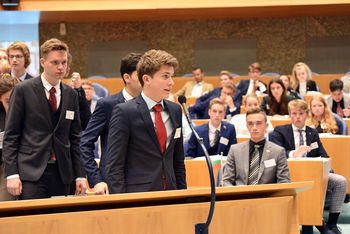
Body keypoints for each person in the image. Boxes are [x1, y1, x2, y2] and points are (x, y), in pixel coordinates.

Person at [3, 38, 87, 200]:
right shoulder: (23, 90)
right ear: (42, 62)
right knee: (33, 222)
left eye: (64, 62)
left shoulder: (71, 94)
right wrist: (12, 173)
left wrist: (80, 175)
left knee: (60, 222)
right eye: (55, 62)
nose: (61, 67)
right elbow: (11, 136)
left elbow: (75, 139)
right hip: (31, 172)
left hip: (63, 172)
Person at [106, 49, 187, 194]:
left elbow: (178, 161)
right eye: (165, 76)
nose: (171, 82)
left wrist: (183, 196)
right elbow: (114, 166)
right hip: (138, 195)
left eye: (172, 76)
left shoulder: (175, 110)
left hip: (171, 193)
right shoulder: (125, 112)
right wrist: (120, 203)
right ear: (146, 79)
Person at [271, 99, 347, 234]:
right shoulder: (280, 131)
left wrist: (318, 163)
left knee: (340, 181)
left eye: (301, 113)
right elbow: (276, 154)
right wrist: (295, 153)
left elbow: (324, 155)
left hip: (314, 175)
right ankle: (319, 224)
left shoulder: (313, 133)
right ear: (289, 115)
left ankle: (332, 224)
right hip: (290, 176)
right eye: (294, 113)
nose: (298, 117)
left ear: (307, 115)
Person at [80, 53, 142, 195]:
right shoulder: (107, 105)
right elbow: (85, 143)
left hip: (144, 182)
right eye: (141, 74)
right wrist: (97, 180)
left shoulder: (151, 105)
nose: (146, 78)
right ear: (127, 77)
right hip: (112, 183)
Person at [223, 107, 291, 186]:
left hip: (266, 196)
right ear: (247, 126)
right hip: (240, 196)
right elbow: (226, 181)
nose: (254, 128)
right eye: (250, 124)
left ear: (266, 126)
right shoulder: (235, 150)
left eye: (259, 123)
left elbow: (284, 182)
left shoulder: (278, 151)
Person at [0, 74, 19, 201]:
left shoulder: (26, 114)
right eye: (7, 101)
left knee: (4, 201)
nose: (11, 105)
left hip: (12, 165)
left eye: (14, 100)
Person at [66, 53, 91, 130]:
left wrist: (79, 90)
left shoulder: (82, 101)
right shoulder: (64, 99)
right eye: (72, 88)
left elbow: (86, 123)